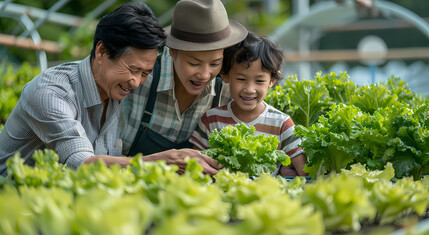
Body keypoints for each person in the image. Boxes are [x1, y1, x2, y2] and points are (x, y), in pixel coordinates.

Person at [0, 2, 217, 177]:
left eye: (145, 73)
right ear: (102, 51)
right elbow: (83, 164)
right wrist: (160, 161)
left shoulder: (113, 91)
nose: (136, 82)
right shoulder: (52, 93)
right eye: (133, 69)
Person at [120, 0, 248, 174]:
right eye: (193, 63)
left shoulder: (227, 89)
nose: (204, 74)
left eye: (215, 63)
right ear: (172, 51)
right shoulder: (141, 79)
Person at [189, 32, 308, 176]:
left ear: (271, 81)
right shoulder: (211, 119)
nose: (249, 90)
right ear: (225, 76)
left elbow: (305, 173)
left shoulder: (282, 123)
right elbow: (194, 167)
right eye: (241, 79)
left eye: (259, 81)